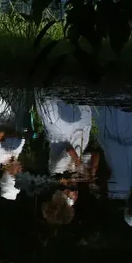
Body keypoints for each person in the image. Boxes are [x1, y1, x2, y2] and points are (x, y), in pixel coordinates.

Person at [37, 94, 97, 224]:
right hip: (81, 124)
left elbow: (69, 150)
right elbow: (94, 155)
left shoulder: (56, 172)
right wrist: (92, 172)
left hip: (62, 124)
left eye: (71, 200)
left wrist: (79, 164)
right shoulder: (75, 176)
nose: (75, 196)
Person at [0, 88, 31, 200]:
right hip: (12, 111)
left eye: (18, 174)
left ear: (10, 174)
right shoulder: (15, 156)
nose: (21, 171)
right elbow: (19, 136)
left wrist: (9, 134)